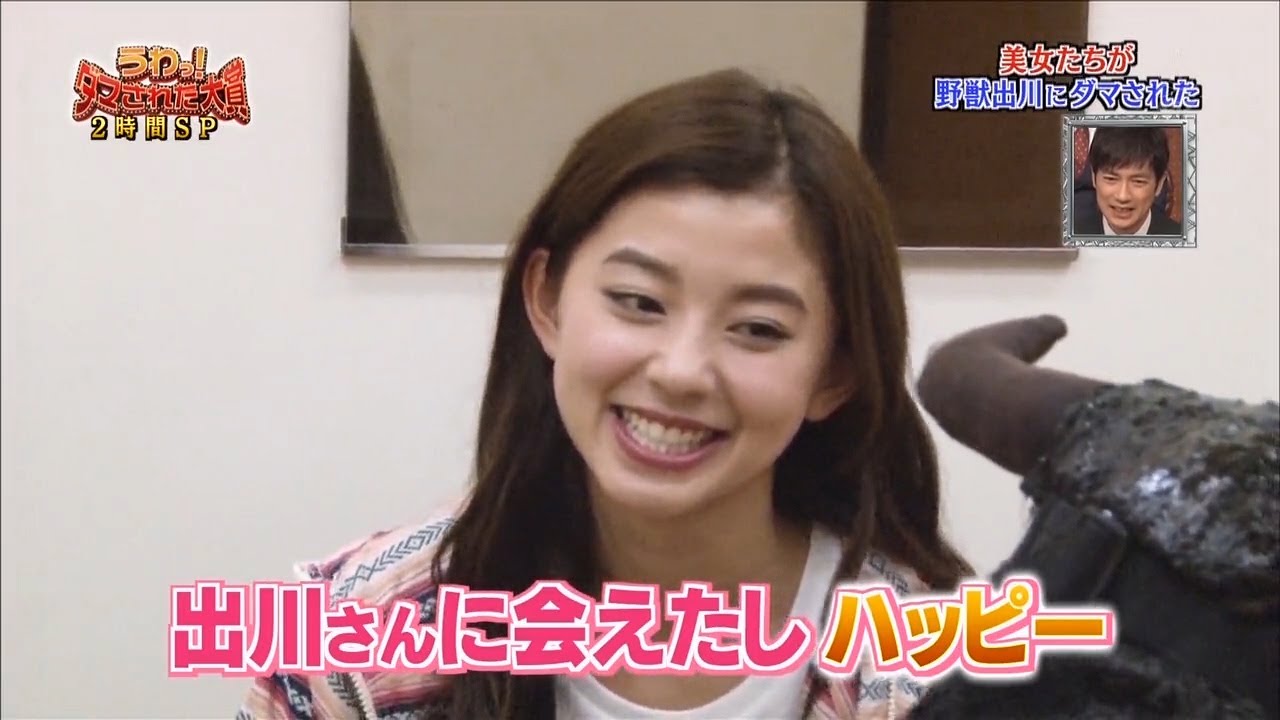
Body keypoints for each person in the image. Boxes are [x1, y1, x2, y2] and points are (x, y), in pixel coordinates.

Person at [237, 68, 973, 720]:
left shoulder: (932, 670)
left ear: (836, 374)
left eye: (757, 329)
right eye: (638, 302)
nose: (681, 371)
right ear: (547, 301)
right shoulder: (351, 640)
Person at [1073, 125, 1182, 237]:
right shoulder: (1071, 237)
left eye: (1138, 182)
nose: (1123, 196)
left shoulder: (1184, 242)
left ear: (1159, 184)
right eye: (1111, 179)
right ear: (1093, 177)